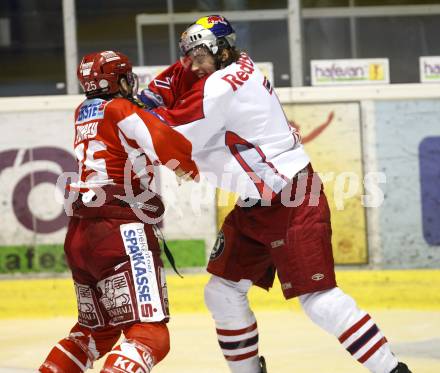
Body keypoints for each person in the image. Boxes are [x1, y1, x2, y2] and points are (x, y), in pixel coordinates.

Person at [140, 15, 412, 373]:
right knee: (221, 292)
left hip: (292, 199)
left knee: (318, 300)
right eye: (188, 56)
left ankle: (393, 371)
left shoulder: (221, 86)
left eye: (200, 55)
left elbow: (172, 134)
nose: (193, 65)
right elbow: (183, 89)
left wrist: (132, 111)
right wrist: (154, 95)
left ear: (221, 51)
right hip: (257, 205)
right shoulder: (233, 66)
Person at [39, 50, 198, 373]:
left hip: (81, 235)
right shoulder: (122, 109)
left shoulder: (82, 111)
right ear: (120, 80)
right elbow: (167, 144)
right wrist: (191, 167)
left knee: (95, 332)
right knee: (151, 335)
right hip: (122, 231)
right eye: (126, 77)